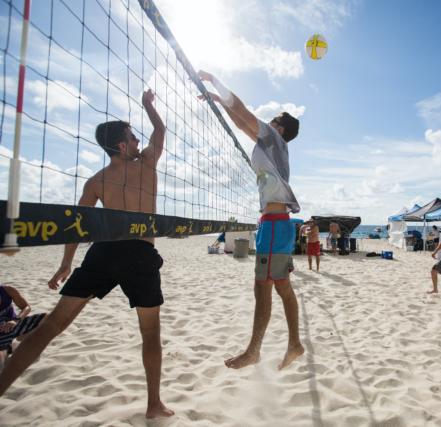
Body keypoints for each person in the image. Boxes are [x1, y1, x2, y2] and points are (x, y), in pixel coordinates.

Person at [0, 90, 174, 419]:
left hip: (103, 253)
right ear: (122, 146)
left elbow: (77, 227)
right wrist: (149, 106)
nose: (139, 142)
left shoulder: (96, 181)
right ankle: (154, 404)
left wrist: (66, 264)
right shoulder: (146, 164)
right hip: (138, 253)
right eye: (133, 138)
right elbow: (160, 132)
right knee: (150, 333)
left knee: (51, 327)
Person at [198, 70, 304, 370]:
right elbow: (242, 120)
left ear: (279, 127)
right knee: (281, 286)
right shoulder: (271, 143)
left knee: (264, 288)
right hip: (275, 224)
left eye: (273, 119)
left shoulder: (272, 138)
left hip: (274, 225)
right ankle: (294, 344)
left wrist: (215, 82)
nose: (267, 121)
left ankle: (255, 350)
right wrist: (221, 104)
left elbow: (243, 112)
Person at [0, 284, 46, 370]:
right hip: (2, 334)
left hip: (13, 325)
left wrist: (15, 320)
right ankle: (9, 347)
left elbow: (26, 307)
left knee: (46, 318)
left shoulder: (7, 290)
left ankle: (22, 343)